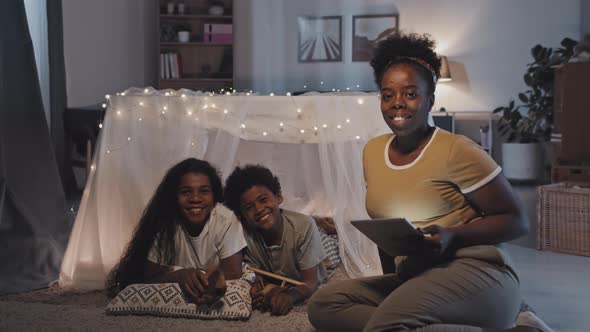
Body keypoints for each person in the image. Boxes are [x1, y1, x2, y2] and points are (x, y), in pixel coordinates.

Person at [307, 33, 551, 332]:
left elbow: (517, 220)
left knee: (387, 324)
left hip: (476, 271)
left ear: (431, 100)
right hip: (418, 276)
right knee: (325, 305)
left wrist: (453, 235)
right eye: (387, 95)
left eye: (411, 94)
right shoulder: (373, 151)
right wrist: (398, 287)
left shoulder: (456, 149)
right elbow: (389, 234)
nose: (398, 103)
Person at [106, 158, 246, 304]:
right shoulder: (165, 221)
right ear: (174, 196)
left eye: (204, 191)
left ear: (214, 195)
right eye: (186, 192)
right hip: (177, 273)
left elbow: (234, 273)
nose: (195, 198)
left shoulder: (226, 219)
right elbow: (147, 278)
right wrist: (179, 276)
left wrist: (206, 280)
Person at [224, 164, 326, 316]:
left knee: (329, 241)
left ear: (279, 197)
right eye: (249, 207)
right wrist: (257, 289)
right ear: (241, 215)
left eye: (263, 199)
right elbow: (255, 274)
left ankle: (326, 225)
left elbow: (310, 284)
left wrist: (290, 296)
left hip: (316, 242)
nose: (259, 209)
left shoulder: (304, 226)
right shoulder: (246, 234)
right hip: (283, 275)